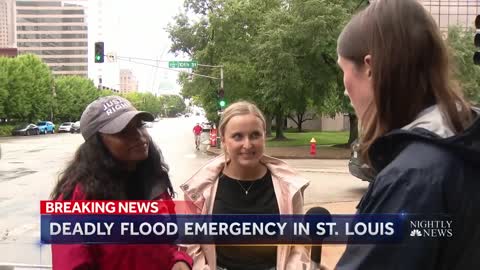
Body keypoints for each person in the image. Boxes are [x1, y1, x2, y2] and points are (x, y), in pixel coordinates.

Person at [335, 0, 480, 269]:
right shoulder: (463, 145)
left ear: (370, 67)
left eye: (343, 71)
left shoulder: (411, 179)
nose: (345, 90)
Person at [50, 96, 193, 270]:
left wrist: (178, 259)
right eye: (124, 132)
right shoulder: (77, 197)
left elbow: (170, 241)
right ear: (98, 144)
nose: (139, 136)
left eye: (139, 125)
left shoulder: (153, 182)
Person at [180, 101, 310, 270]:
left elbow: (297, 245)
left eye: (255, 135)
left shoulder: (288, 188)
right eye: (237, 136)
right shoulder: (199, 191)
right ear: (224, 140)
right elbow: (191, 247)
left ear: (264, 136)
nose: (247, 145)